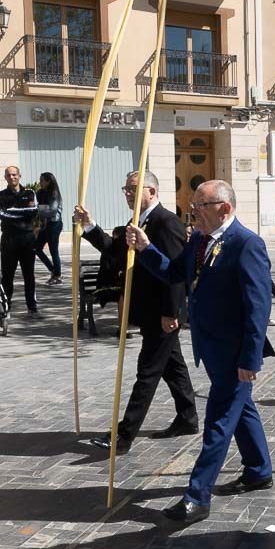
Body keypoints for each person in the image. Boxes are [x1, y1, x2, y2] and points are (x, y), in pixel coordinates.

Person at [126, 180, 275, 524]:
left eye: (200, 206)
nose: (193, 211)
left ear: (224, 208)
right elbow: (173, 273)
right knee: (242, 408)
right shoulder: (198, 240)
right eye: (193, 205)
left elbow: (258, 307)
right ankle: (258, 469)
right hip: (210, 347)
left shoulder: (247, 244)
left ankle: (197, 495)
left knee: (218, 423)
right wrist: (147, 248)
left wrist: (251, 359)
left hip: (235, 351)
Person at [75, 170, 198, 453]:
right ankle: (188, 417)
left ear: (152, 192)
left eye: (134, 188)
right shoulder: (137, 221)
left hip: (163, 313)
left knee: (148, 372)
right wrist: (90, 225)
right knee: (173, 366)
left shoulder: (166, 223)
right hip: (149, 310)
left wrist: (171, 312)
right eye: (126, 189)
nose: (128, 193)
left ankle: (124, 435)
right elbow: (114, 250)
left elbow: (176, 274)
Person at [0, 166, 39, 315]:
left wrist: (13, 211)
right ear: (5, 177)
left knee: (29, 274)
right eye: (8, 175)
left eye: (14, 174)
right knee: (8, 275)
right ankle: (6, 307)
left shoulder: (30, 193)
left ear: (19, 176)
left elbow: (34, 212)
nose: (12, 177)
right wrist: (23, 212)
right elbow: (3, 215)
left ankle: (32, 308)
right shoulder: (0, 196)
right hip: (9, 239)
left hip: (27, 238)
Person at [33, 172, 64, 286]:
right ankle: (53, 270)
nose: (40, 183)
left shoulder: (54, 194)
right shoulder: (40, 193)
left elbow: (52, 211)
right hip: (45, 225)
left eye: (42, 181)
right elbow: (33, 205)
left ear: (49, 181)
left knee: (53, 250)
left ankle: (58, 275)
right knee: (36, 248)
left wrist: (38, 209)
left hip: (54, 224)